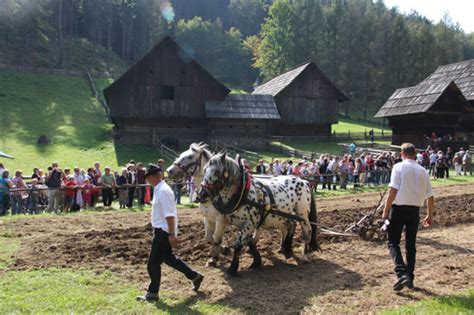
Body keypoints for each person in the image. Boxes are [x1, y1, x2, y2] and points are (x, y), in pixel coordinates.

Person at [136, 164, 203, 302]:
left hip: (163, 232)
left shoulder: (163, 191)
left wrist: (172, 234)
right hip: (163, 230)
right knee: (168, 258)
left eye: (148, 177)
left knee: (153, 264)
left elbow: (170, 215)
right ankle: (195, 276)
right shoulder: (160, 189)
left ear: (155, 176)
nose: (147, 180)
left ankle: (152, 293)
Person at [382, 143, 434, 291]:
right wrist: (429, 215)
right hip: (414, 211)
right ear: (414, 154)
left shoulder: (398, 167)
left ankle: (401, 272)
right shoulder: (423, 171)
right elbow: (430, 197)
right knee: (410, 245)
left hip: (398, 209)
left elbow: (393, 190)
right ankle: (410, 278)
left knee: (393, 242)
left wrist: (385, 211)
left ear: (402, 154)